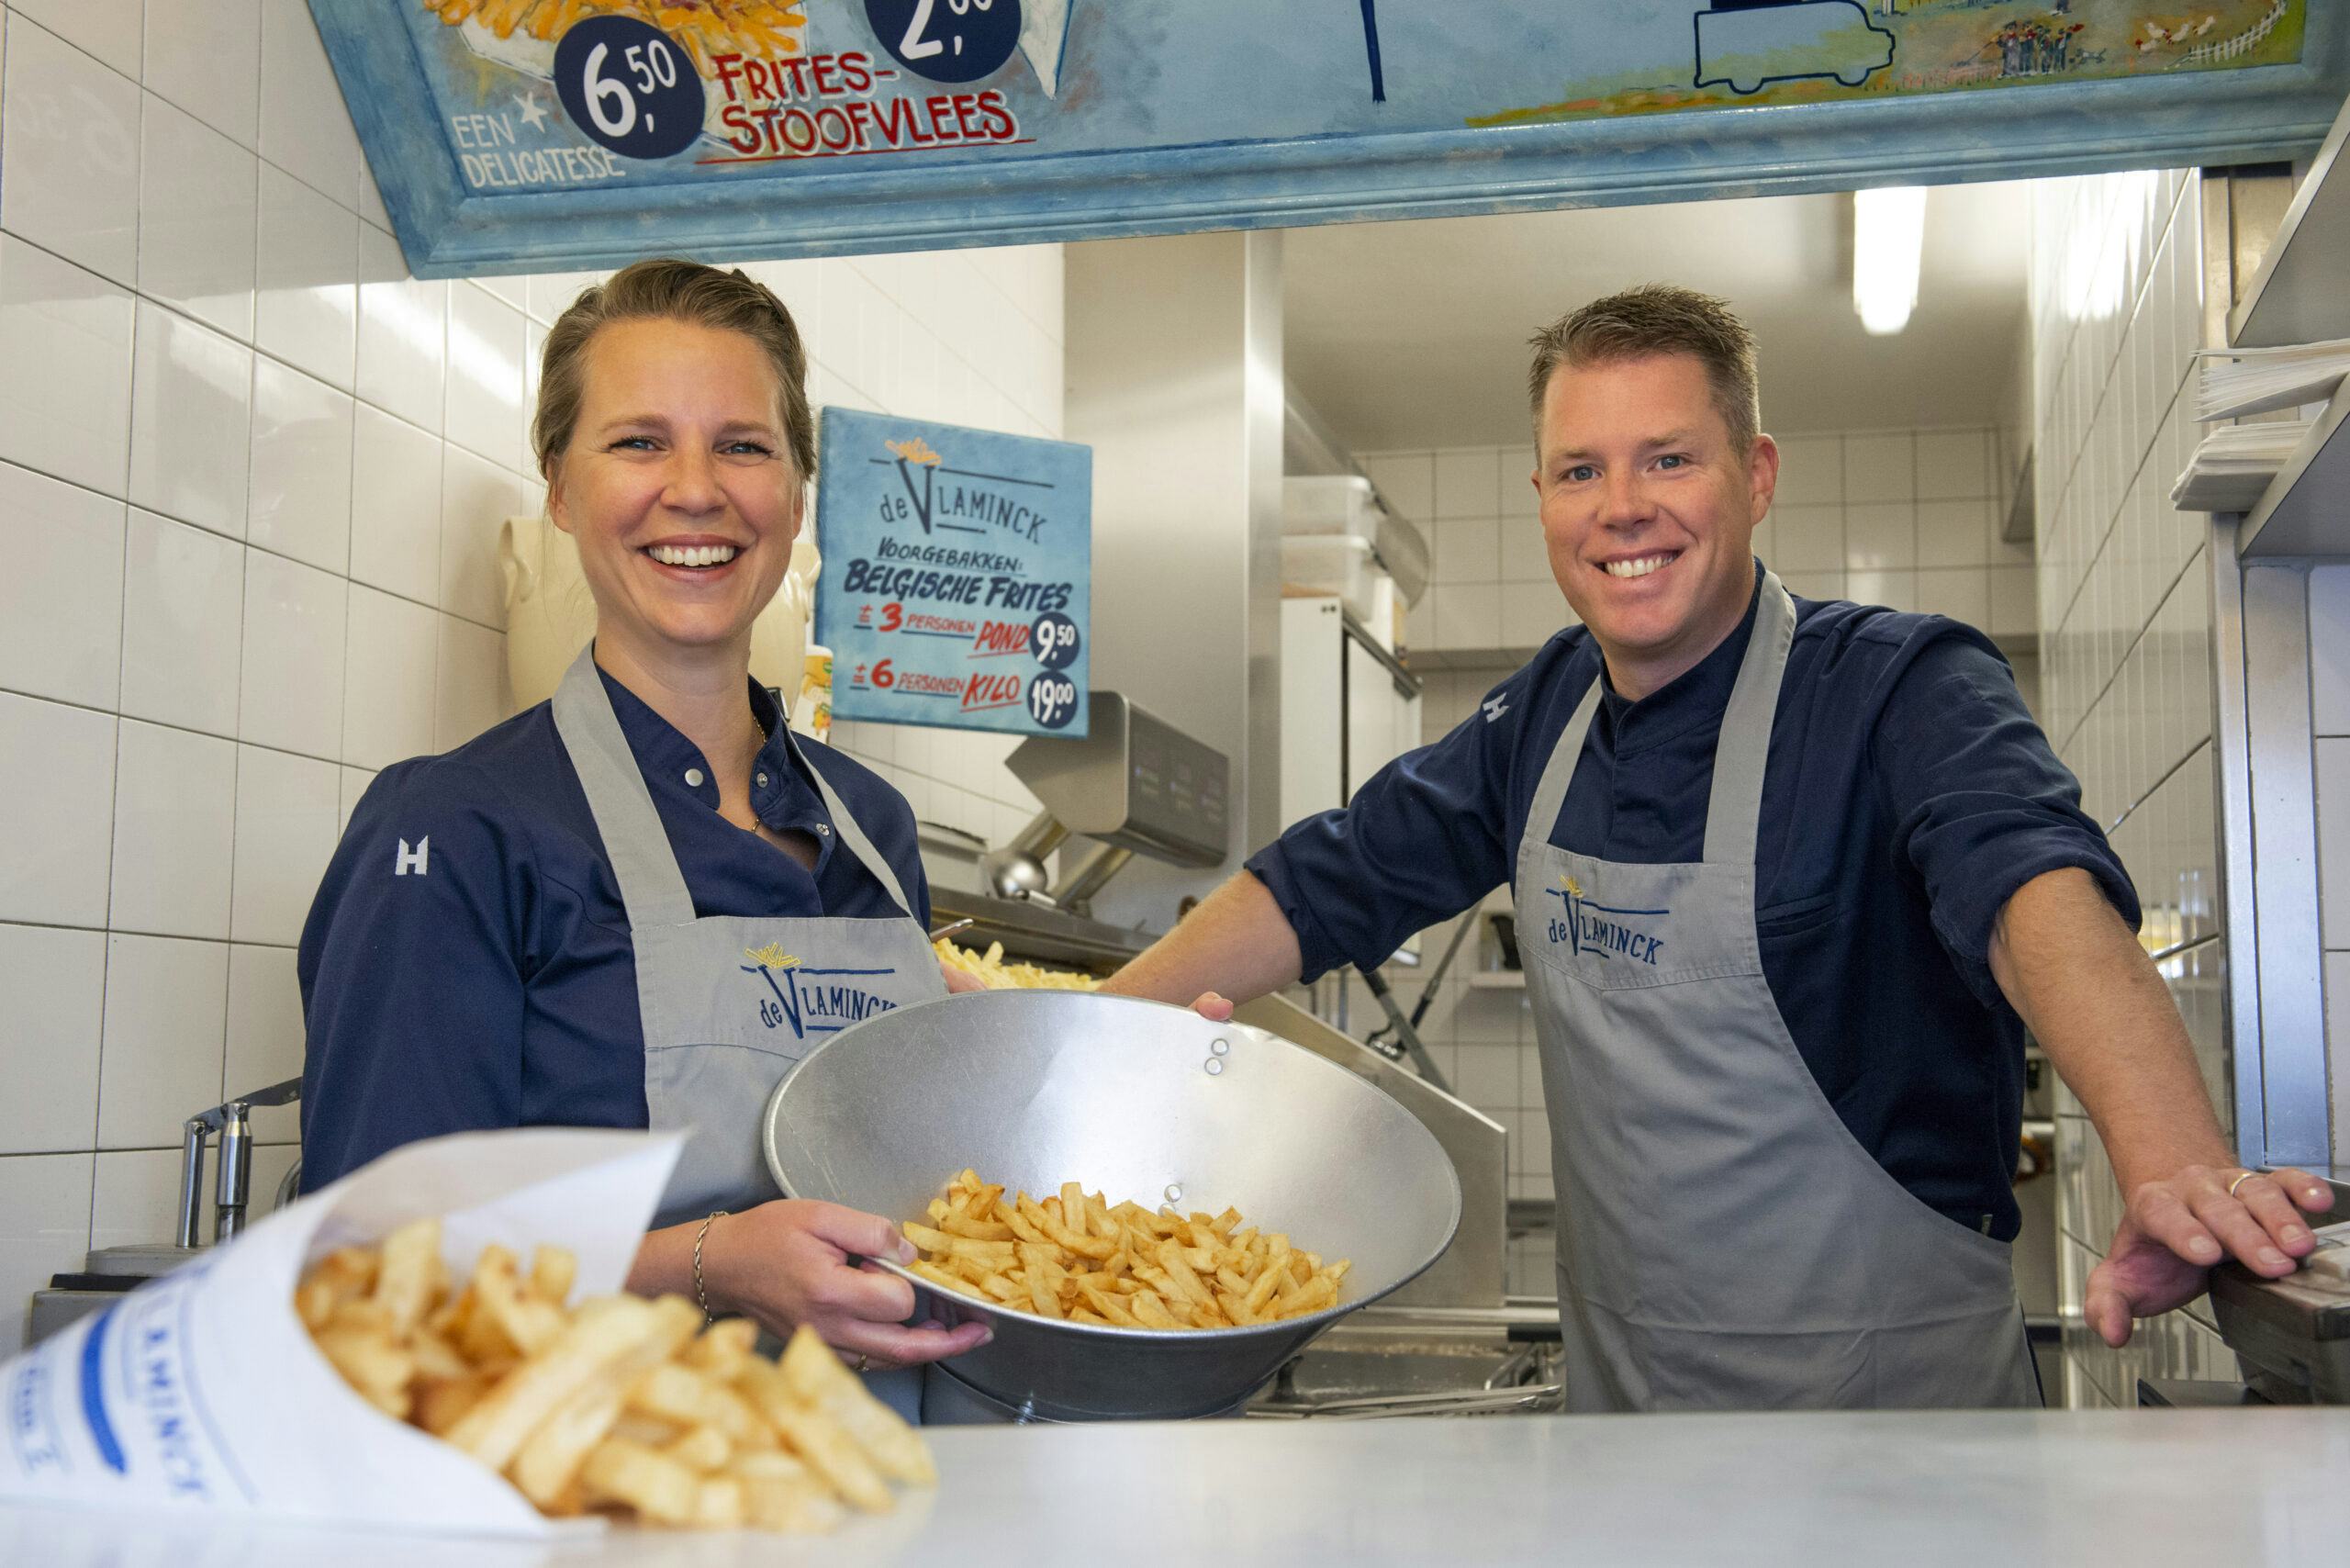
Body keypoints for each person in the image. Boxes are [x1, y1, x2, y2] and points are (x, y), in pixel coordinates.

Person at [1104, 284, 2333, 1412]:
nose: (1621, 507)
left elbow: (2034, 895)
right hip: (1630, 1434)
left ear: (1755, 475)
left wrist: (2174, 1164)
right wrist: (1087, 1028)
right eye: (1580, 468)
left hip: (1906, 1445)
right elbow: (1331, 880)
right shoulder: (1538, 719)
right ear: (1542, 499)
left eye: (1669, 459)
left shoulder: (1901, 688)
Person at [299, 259, 990, 1403]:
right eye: (637, 442)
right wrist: (710, 1265)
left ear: (798, 494)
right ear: (560, 491)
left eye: (742, 444)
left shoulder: (870, 825)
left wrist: (1056, 1063)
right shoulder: (462, 827)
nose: (695, 489)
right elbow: (371, 1272)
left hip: (884, 1490)